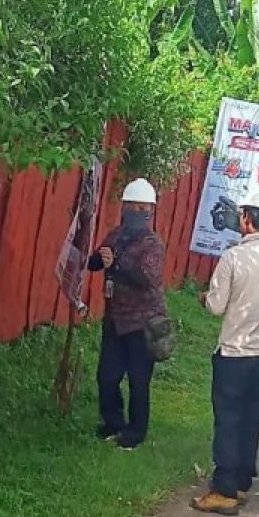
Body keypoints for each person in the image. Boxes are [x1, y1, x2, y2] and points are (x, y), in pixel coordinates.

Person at [193, 186, 259, 516]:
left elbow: (215, 305)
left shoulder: (232, 257)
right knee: (252, 421)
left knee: (228, 420)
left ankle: (224, 490)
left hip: (234, 354)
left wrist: (203, 298)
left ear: (245, 219)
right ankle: (241, 482)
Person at [87, 178, 168, 451]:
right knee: (107, 376)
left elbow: (148, 278)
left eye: (142, 208)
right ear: (124, 208)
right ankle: (113, 423)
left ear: (150, 212)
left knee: (138, 380)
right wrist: (101, 258)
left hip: (142, 323)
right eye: (132, 207)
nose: (137, 212)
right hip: (114, 319)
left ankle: (135, 433)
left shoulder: (153, 243)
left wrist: (118, 264)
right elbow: (95, 262)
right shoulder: (115, 235)